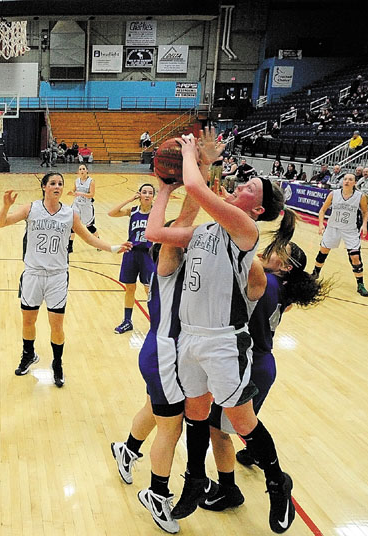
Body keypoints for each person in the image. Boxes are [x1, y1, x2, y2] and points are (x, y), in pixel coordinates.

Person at [146, 135, 298, 533]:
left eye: (248, 188)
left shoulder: (245, 231)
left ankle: (277, 482)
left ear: (258, 208)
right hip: (190, 339)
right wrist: (164, 189)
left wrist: (189, 154)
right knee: (195, 413)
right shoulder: (204, 233)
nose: (240, 185)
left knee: (241, 420)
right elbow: (154, 232)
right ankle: (196, 478)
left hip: (223, 340)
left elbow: (196, 187)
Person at [111, 130, 222, 535]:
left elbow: (194, 214)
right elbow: (189, 216)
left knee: (156, 413)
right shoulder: (169, 256)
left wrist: (202, 169)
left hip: (167, 351)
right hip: (166, 352)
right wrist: (194, 170)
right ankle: (157, 494)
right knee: (171, 428)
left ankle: (127, 449)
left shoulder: (184, 248)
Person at [204, 241, 329, 512]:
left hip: (248, 365)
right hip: (263, 364)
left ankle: (229, 490)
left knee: (217, 427)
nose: (268, 249)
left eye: (277, 250)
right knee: (246, 421)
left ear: (284, 266)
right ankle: (253, 452)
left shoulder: (267, 283)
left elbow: (239, 253)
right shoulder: (282, 288)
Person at [0, 173, 131, 387]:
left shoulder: (70, 214)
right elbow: (0, 224)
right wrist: (5, 206)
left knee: (56, 325)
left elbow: (89, 238)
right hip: (32, 274)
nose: (57, 186)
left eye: (60, 184)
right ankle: (28, 354)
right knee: (28, 321)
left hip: (57, 276)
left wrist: (113, 248)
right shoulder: (30, 208)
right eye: (52, 183)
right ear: (44, 187)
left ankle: (57, 363)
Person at [109, 183, 156, 334]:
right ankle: (127, 321)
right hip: (131, 252)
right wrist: (130, 199)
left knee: (149, 289)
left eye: (150, 193)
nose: (147, 195)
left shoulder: (156, 212)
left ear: (153, 196)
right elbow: (112, 213)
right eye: (144, 192)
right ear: (140, 195)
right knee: (130, 288)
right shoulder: (133, 210)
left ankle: (156, 322)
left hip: (147, 254)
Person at [311, 174, 368, 297]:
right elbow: (322, 210)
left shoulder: (360, 196)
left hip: (350, 230)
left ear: (355, 183)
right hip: (333, 228)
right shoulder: (334, 194)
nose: (347, 181)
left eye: (350, 180)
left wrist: (364, 225)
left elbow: (365, 211)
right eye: (345, 179)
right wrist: (321, 224)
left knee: (355, 257)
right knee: (323, 252)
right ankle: (314, 275)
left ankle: (360, 284)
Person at [66, 164, 99, 252]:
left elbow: (91, 195)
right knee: (73, 225)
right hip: (76, 205)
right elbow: (74, 190)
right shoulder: (76, 181)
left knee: (89, 226)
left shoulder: (91, 181)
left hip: (86, 206)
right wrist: (71, 192)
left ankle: (98, 242)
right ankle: (70, 246)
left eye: (83, 169)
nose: (82, 170)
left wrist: (80, 193)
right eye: (80, 169)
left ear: (87, 171)